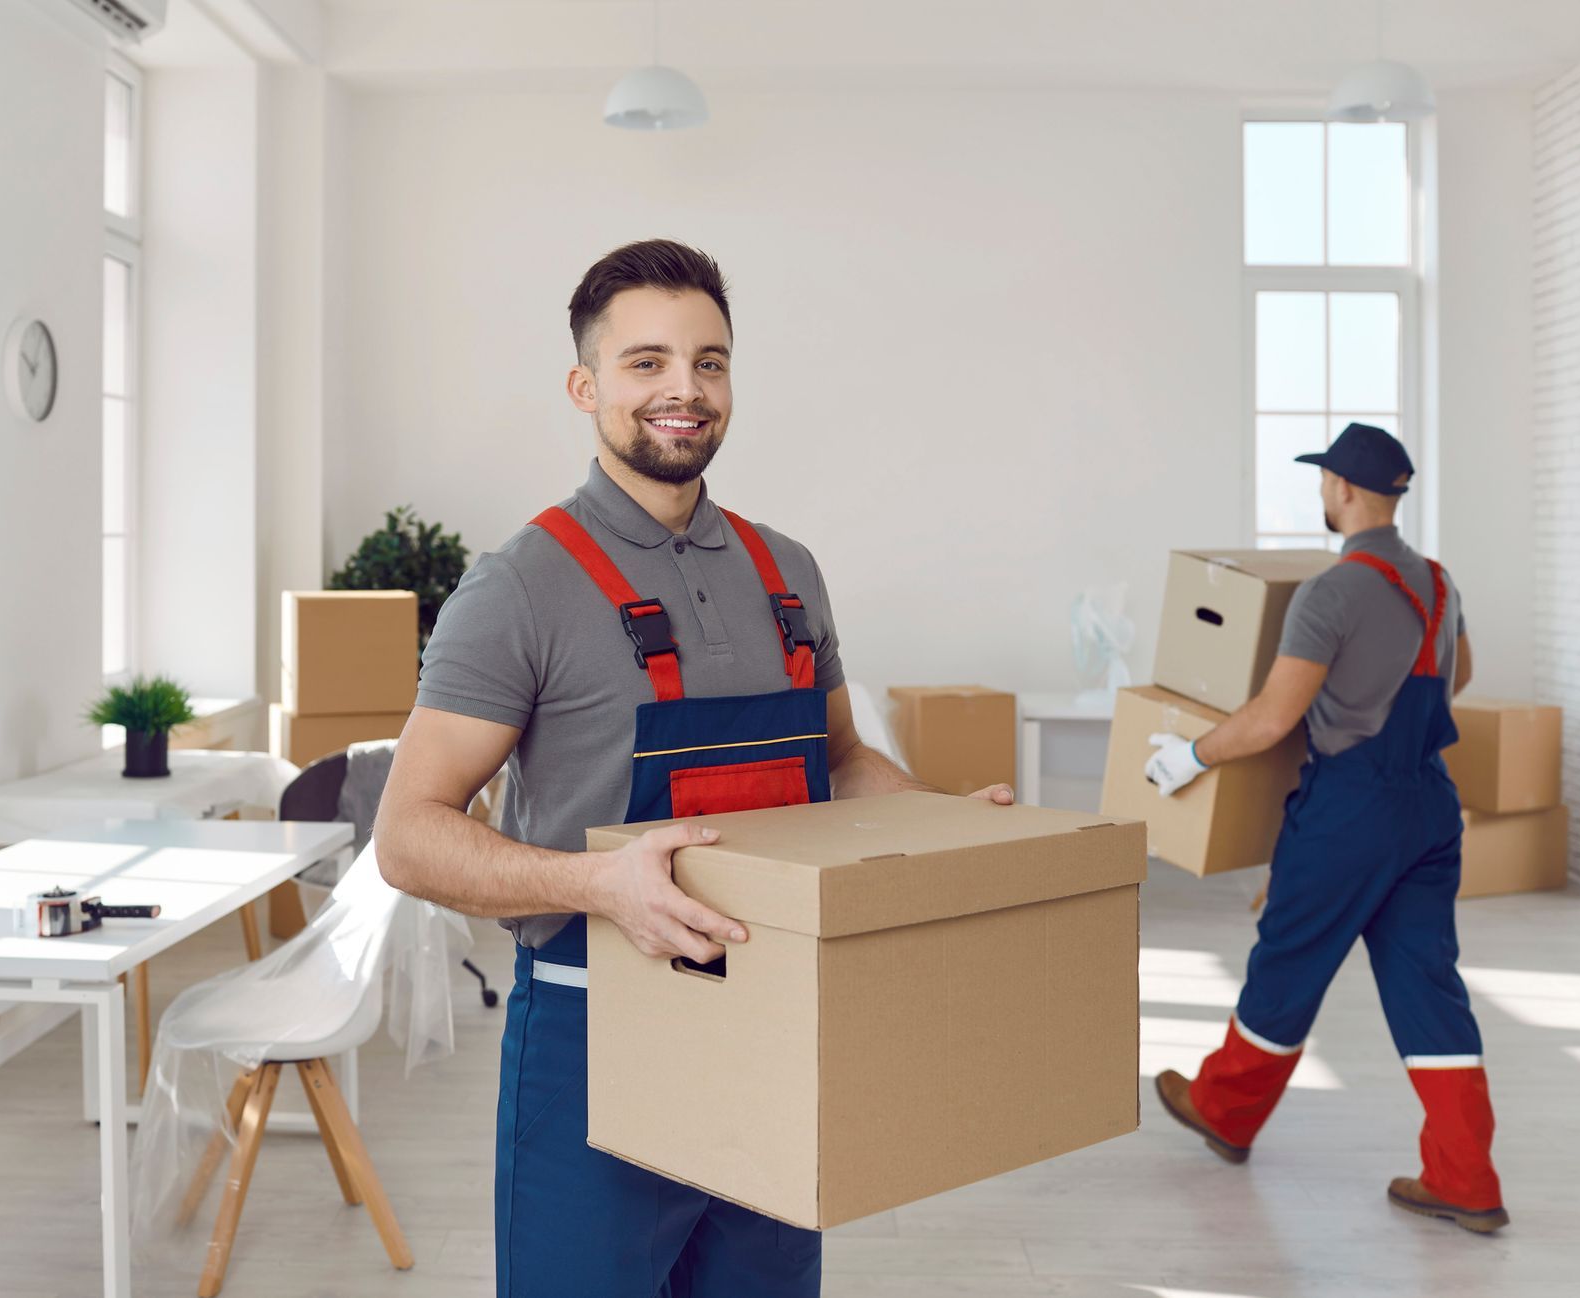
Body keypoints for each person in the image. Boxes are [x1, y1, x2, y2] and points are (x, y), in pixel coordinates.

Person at [372, 239, 1015, 1296]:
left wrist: (951, 824)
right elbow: (408, 831)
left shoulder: (786, 572)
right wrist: (593, 883)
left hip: (778, 1020)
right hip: (596, 1030)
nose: (684, 389)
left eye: (709, 361)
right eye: (647, 362)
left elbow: (841, 764)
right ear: (586, 386)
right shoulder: (520, 586)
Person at [1144, 422, 1506, 1233]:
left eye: (1323, 481)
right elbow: (1463, 675)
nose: (1321, 493)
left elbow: (1274, 718)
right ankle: (1466, 1179)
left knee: (1290, 955)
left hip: (1352, 808)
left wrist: (1189, 754)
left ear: (1341, 489)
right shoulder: (1439, 584)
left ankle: (1225, 1111)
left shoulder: (1331, 592)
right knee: (1427, 985)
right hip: (1428, 809)